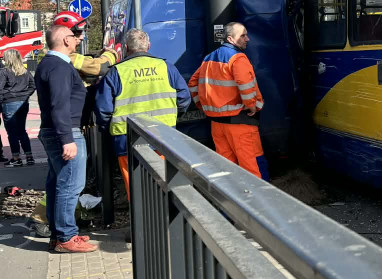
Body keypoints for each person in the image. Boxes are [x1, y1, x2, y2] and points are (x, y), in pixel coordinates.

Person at [95, 28, 191, 198]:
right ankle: (164, 220)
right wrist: (174, 116)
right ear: (148, 45)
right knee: (163, 183)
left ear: (125, 47)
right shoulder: (166, 67)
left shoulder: (116, 72)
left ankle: (142, 221)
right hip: (163, 136)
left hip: (126, 139)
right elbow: (184, 98)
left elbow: (103, 110)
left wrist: (106, 130)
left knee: (135, 188)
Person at [35, 24, 95, 253]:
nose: (78, 40)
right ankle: (66, 237)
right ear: (64, 40)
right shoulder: (59, 66)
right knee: (70, 185)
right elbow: (59, 104)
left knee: (58, 184)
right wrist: (67, 138)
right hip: (65, 131)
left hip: (57, 130)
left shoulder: (51, 64)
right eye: (74, 36)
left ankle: (60, 233)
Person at [188, 22, 269, 180]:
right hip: (240, 123)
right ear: (231, 39)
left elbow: (193, 83)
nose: (248, 39)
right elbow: (245, 85)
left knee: (227, 169)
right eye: (243, 35)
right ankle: (259, 203)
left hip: (217, 124)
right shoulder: (238, 59)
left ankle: (230, 202)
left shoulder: (208, 58)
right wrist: (251, 106)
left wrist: (202, 105)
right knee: (253, 167)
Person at [0, 49, 35, 167]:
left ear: (8, 59)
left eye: (4, 57)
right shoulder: (25, 71)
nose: (3, 59)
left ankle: (16, 158)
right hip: (23, 103)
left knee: (12, 132)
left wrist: (5, 97)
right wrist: (25, 95)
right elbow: (33, 85)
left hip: (9, 102)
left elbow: (0, 89)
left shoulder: (4, 72)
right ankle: (29, 157)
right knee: (22, 130)